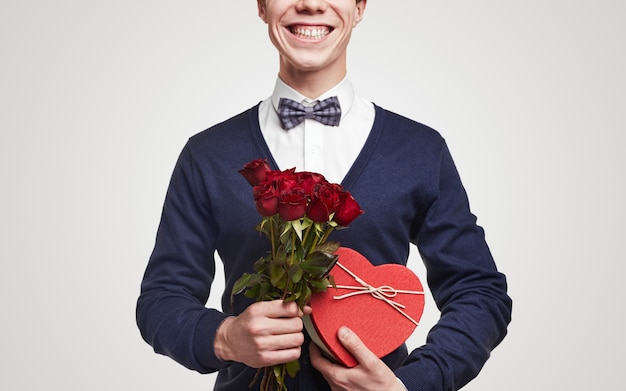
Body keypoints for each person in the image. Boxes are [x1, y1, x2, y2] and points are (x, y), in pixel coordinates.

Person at [136, 0, 512, 390]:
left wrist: (412, 384)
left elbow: (480, 292)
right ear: (263, 6)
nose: (311, 4)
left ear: (360, 6)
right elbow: (161, 300)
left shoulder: (420, 150)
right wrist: (225, 337)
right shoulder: (207, 154)